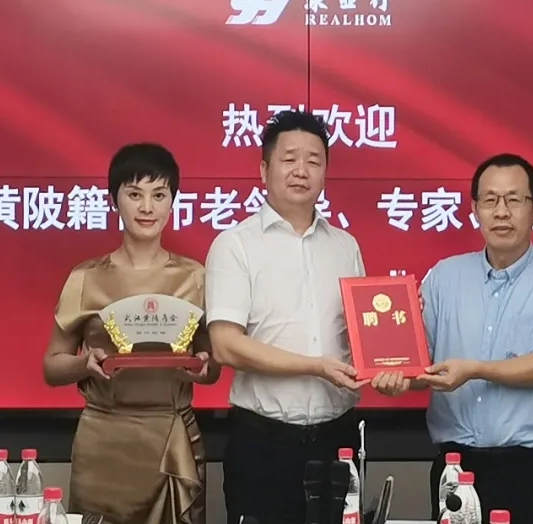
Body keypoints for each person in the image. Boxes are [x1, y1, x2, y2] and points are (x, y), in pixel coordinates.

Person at [371, 153, 533, 524]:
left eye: (513, 199)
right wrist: (397, 377)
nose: (501, 212)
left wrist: (475, 370)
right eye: (490, 200)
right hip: (454, 469)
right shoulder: (444, 277)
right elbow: (420, 364)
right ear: (475, 209)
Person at [42, 143, 220, 524]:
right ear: (114, 200)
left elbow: (213, 366)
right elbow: (51, 367)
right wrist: (85, 365)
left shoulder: (196, 277)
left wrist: (205, 367)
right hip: (103, 442)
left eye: (159, 195)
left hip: (172, 440)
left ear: (173, 202)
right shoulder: (86, 278)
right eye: (134, 194)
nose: (147, 207)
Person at [205, 110, 367, 524]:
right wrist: (315, 367)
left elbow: (359, 338)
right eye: (289, 159)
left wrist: (392, 343)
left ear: (326, 172)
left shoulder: (345, 246)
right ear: (264, 170)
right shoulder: (235, 245)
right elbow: (225, 345)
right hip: (264, 443)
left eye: (313, 160)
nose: (301, 170)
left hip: (338, 439)